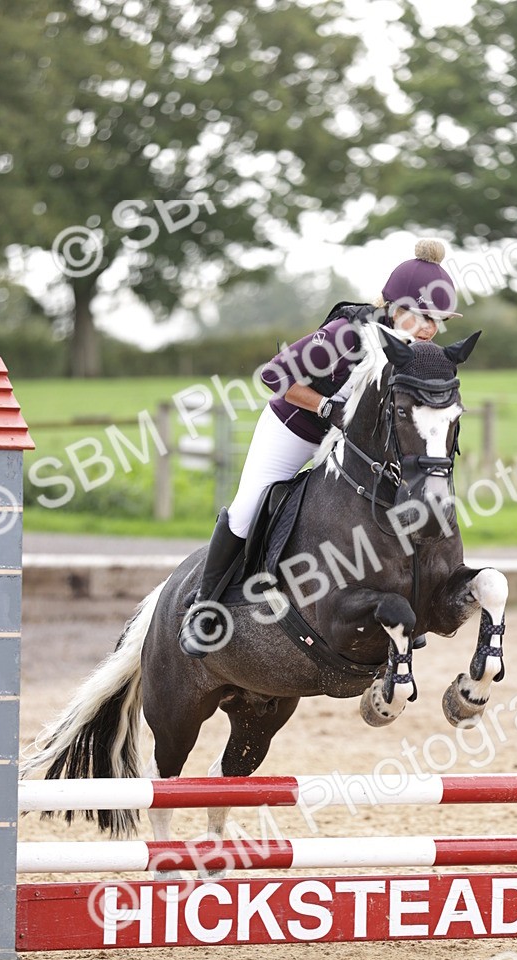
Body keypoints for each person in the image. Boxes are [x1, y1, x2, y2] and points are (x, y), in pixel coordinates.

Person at [178, 237, 463, 657]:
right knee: (249, 505)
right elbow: (275, 376)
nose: (428, 329)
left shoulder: (411, 354)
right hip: (295, 428)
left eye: (436, 320)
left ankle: (404, 600)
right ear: (393, 306)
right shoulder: (344, 336)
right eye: (421, 316)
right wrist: (326, 404)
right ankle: (204, 605)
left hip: (347, 444)